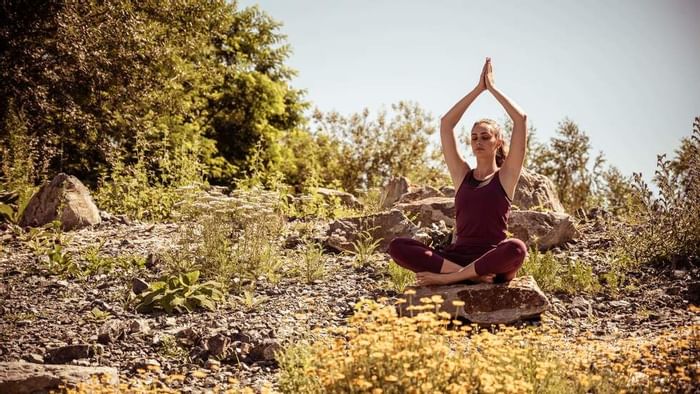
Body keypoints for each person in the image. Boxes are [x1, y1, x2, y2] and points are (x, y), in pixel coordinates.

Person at [388, 57, 528, 286]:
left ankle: (453, 278)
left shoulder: (505, 176)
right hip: (455, 257)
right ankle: (469, 275)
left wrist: (491, 88)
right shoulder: (463, 175)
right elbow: (446, 124)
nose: (478, 141)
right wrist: (477, 89)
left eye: (485, 137)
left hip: (491, 260)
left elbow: (520, 120)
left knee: (516, 248)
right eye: (474, 137)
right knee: (398, 246)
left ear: (498, 142)